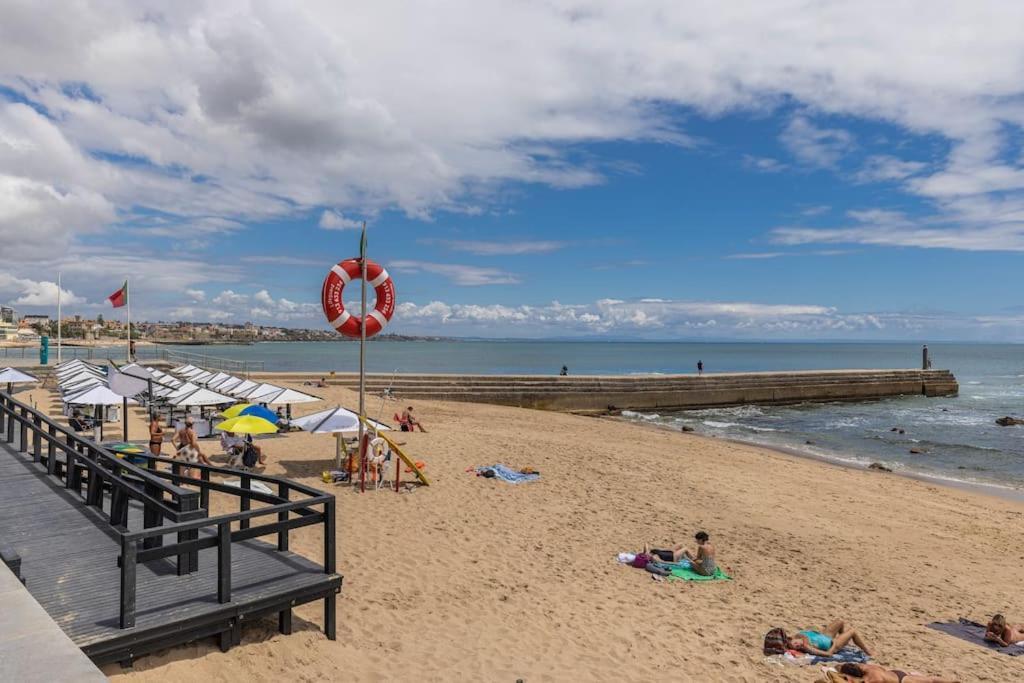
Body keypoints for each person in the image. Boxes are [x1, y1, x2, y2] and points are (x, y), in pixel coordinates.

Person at [788, 619, 875, 657]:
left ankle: (844, 641)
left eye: (795, 643)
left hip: (824, 635)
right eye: (798, 647)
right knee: (852, 631)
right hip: (831, 644)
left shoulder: (796, 636)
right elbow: (829, 654)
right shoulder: (808, 647)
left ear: (792, 640)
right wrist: (834, 644)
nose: (798, 645)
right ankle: (867, 650)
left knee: (840, 621)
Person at [644, 531, 717, 575]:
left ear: (701, 540)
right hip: (712, 570)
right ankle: (673, 552)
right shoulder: (712, 546)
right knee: (683, 547)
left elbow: (698, 560)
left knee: (687, 557)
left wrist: (691, 561)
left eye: (697, 540)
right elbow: (707, 560)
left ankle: (675, 554)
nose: (697, 542)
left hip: (705, 572)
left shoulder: (701, 547)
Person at [836, 662, 959, 683]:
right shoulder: (866, 667)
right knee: (930, 679)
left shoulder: (871, 680)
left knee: (930, 682)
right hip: (896, 673)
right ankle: (951, 681)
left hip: (902, 681)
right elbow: (838, 666)